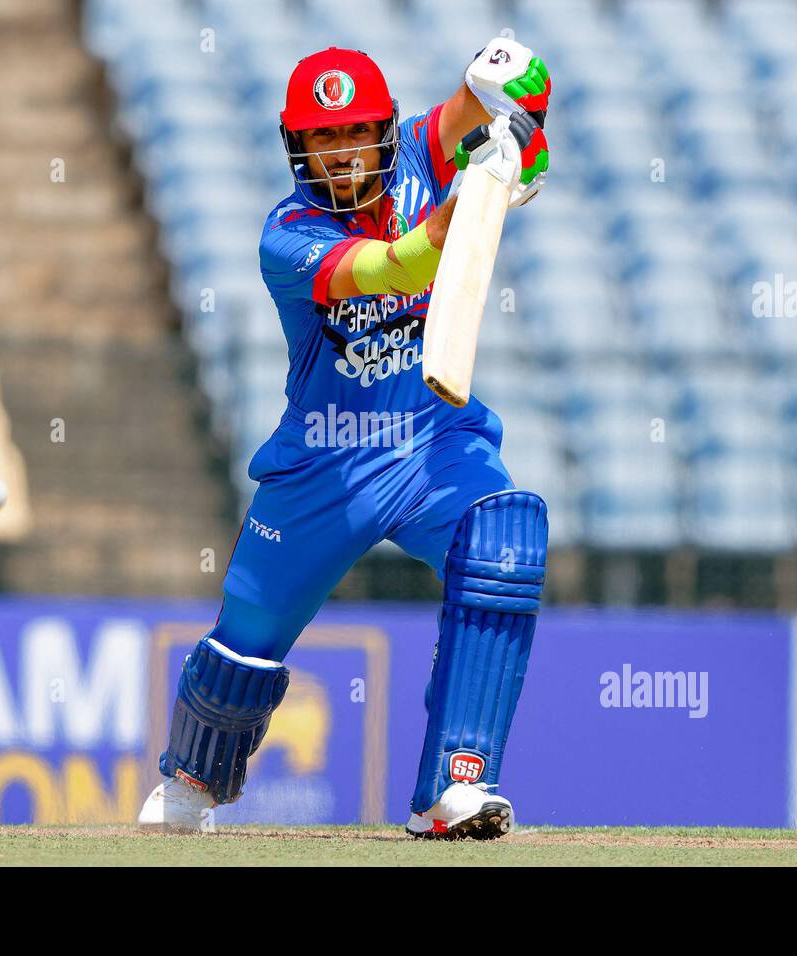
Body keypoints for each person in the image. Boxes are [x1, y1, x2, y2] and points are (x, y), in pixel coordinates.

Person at [139, 38, 551, 839]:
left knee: (505, 537)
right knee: (244, 646)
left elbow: (493, 100)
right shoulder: (287, 237)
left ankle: (453, 789)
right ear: (297, 146)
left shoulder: (426, 152)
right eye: (322, 137)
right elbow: (395, 267)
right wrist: (468, 205)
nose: (340, 153)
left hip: (432, 438)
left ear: (387, 130)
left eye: (355, 132)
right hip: (325, 461)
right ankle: (192, 779)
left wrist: (513, 99)